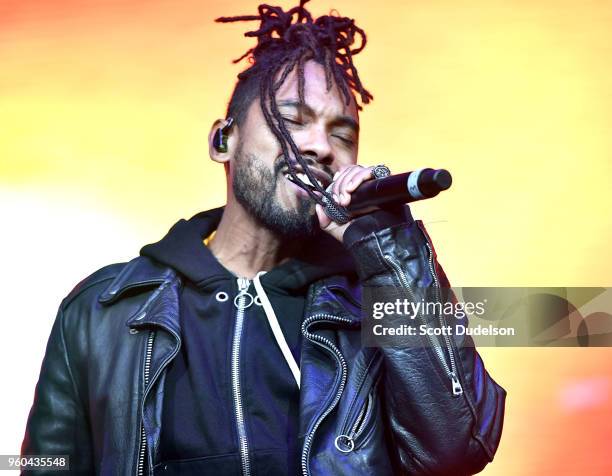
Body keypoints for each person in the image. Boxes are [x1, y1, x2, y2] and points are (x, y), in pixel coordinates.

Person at [22, 1, 506, 474]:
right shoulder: (100, 307)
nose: (319, 146)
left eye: (342, 134)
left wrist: (394, 253)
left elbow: (460, 448)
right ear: (222, 141)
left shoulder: (375, 296)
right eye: (292, 121)